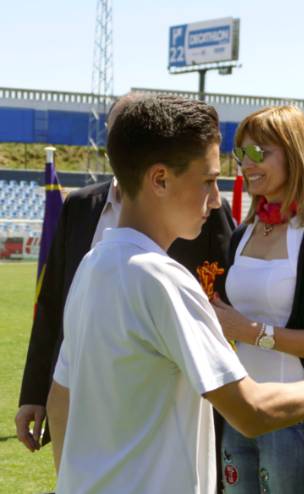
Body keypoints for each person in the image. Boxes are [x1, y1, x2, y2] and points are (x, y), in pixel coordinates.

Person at [44, 95, 304, 494]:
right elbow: (250, 410)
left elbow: (59, 401)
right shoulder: (163, 279)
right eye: (208, 182)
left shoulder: (93, 265)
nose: (215, 201)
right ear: (160, 180)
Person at [15, 93, 235, 454]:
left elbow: (226, 290)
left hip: (164, 399)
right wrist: (34, 392)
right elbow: (53, 303)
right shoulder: (80, 206)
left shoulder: (205, 209)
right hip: (81, 389)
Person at [210, 105, 304, 494]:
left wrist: (252, 332)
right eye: (241, 153)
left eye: (259, 152)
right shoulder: (242, 234)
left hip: (296, 418)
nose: (247, 164)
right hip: (239, 411)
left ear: (294, 154)